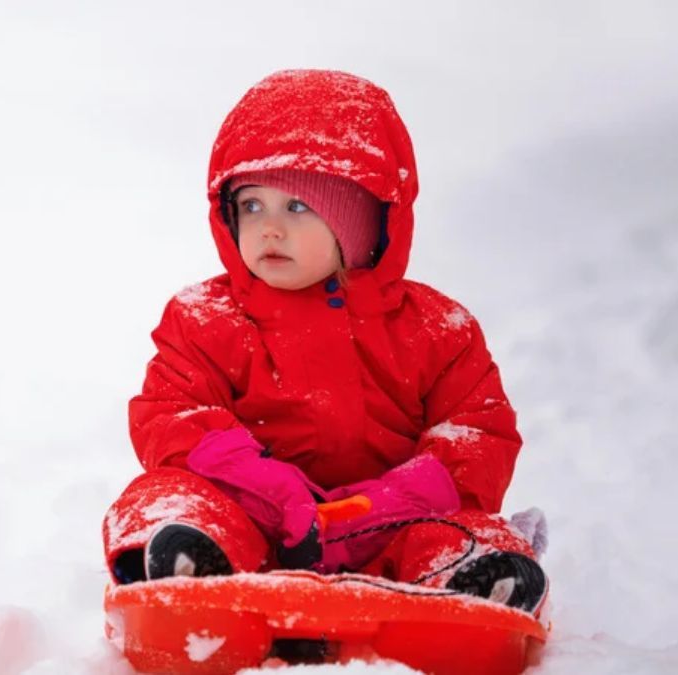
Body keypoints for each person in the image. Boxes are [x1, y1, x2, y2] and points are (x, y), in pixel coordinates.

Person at [102, 69, 548, 615]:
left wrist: (394, 499)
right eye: (251, 205)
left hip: (397, 525)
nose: (269, 228)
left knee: (464, 529)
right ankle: (187, 565)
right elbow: (173, 414)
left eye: (297, 207)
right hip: (255, 520)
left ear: (364, 221)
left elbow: (478, 432)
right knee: (164, 497)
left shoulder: (438, 329)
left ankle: (472, 581)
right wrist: (262, 484)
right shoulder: (203, 318)